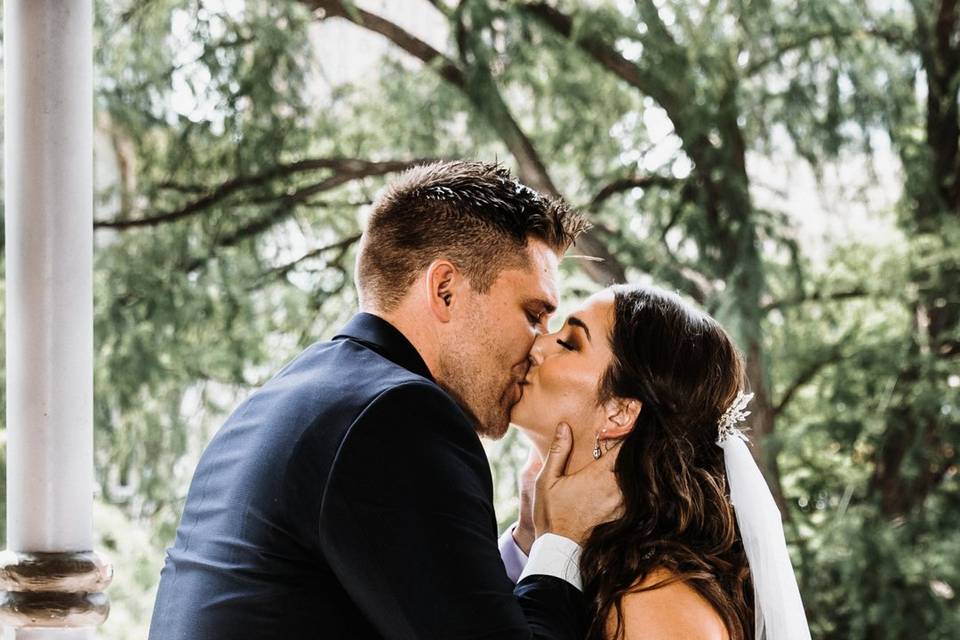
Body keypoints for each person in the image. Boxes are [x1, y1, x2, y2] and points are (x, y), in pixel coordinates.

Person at [147, 160, 623, 640]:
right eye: (533, 314)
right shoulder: (399, 418)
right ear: (445, 290)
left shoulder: (289, 400)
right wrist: (565, 538)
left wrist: (528, 541)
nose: (540, 344)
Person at [502, 285, 812, 640]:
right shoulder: (599, 567)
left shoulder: (656, 603)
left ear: (620, 412)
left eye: (570, 343)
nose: (538, 344)